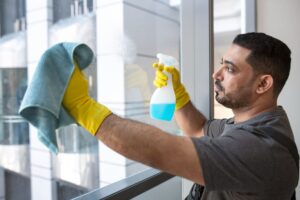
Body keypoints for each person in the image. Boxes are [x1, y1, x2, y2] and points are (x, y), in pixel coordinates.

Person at [62, 32, 298, 200]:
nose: (216, 74)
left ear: (263, 83)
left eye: (229, 68)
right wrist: (177, 92)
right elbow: (199, 129)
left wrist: (84, 108)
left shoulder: (261, 148)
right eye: (220, 64)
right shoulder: (257, 122)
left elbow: (161, 151)